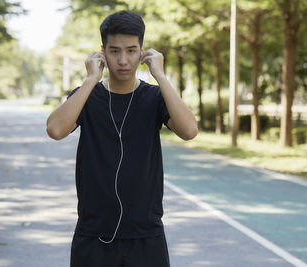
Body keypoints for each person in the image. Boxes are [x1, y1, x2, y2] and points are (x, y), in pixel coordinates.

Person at [46, 10, 198, 267]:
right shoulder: (88, 96)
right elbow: (55, 130)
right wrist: (91, 79)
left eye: (131, 50)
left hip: (146, 235)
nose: (123, 60)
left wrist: (160, 76)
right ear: (102, 52)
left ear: (142, 52)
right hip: (93, 234)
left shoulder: (154, 97)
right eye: (114, 51)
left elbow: (189, 131)